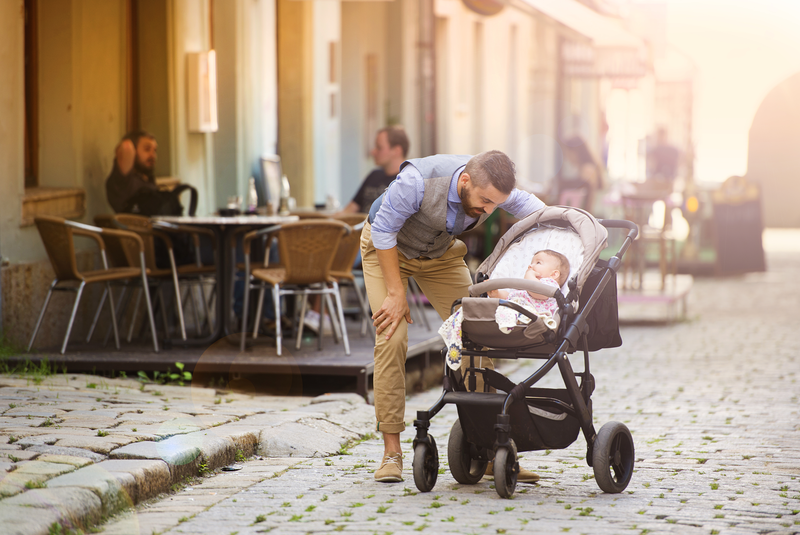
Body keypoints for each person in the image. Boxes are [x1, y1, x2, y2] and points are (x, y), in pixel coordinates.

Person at [361, 150, 547, 483]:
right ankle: (392, 451)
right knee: (392, 336)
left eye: (495, 205)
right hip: (387, 250)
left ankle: (491, 448)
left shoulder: (491, 188)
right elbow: (384, 231)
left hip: (440, 255)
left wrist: (569, 226)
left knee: (478, 332)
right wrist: (395, 294)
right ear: (464, 181)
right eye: (484, 201)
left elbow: (537, 210)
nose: (489, 210)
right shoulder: (417, 182)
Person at [439, 249, 569, 371]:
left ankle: (506, 321)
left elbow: (537, 292)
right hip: (515, 310)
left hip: (533, 321)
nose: (530, 266)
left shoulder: (550, 285)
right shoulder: (526, 285)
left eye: (538, 263)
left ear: (554, 274)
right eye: (531, 263)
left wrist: (529, 276)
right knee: (492, 306)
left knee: (509, 309)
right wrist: (496, 294)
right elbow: (510, 296)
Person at [342, 125, 409, 214]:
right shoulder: (374, 175)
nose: (373, 152)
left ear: (396, 150)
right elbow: (349, 210)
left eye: (379, 147)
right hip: (360, 227)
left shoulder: (407, 181)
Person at [106, 131, 159, 214]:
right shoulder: (123, 182)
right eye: (147, 149)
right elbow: (127, 146)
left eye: (155, 150)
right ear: (133, 151)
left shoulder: (148, 179)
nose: (153, 155)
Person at [556, 136, 603, 211]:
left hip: (591, 214)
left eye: (568, 152)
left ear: (576, 151)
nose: (567, 157)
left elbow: (588, 199)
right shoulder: (582, 169)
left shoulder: (587, 169)